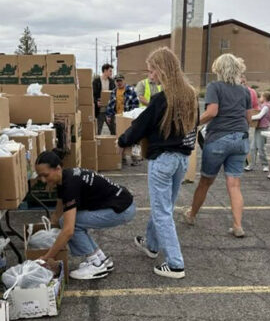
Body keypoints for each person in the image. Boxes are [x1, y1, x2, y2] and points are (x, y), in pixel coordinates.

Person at [117, 47, 197, 279]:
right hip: (182, 158)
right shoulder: (190, 95)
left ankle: (175, 264)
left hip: (162, 160)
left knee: (162, 211)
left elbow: (141, 125)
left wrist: (122, 141)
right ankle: (152, 244)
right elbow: (194, 125)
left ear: (162, 70)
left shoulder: (162, 98)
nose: (150, 75)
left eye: (152, 70)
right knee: (165, 207)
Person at [35, 150, 137, 280]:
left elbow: (68, 231)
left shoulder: (69, 186)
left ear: (58, 168)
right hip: (123, 203)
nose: (43, 180)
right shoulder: (66, 176)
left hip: (122, 210)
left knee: (71, 224)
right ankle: (101, 259)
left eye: (45, 175)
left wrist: (47, 257)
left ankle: (95, 263)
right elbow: (59, 209)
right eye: (39, 176)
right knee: (64, 221)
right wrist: (50, 228)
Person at [182, 53, 252, 238]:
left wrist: (193, 123)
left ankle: (191, 214)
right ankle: (237, 225)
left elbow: (212, 112)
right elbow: (249, 118)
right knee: (234, 184)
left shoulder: (215, 87)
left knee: (206, 181)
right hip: (241, 138)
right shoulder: (245, 90)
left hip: (219, 138)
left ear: (219, 69)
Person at [106, 74, 140, 165]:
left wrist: (133, 116)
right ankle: (122, 158)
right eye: (117, 81)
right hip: (118, 118)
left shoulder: (131, 90)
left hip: (128, 117)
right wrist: (109, 115)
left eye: (120, 80)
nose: (119, 83)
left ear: (124, 80)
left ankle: (135, 158)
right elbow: (110, 104)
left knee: (132, 137)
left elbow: (136, 104)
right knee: (119, 137)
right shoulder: (114, 91)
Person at [245, 91, 270, 172]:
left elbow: (259, 116)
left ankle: (265, 165)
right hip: (258, 128)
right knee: (252, 148)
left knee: (261, 148)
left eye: (260, 97)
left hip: (262, 129)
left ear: (264, 98)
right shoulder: (265, 105)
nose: (259, 98)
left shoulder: (266, 106)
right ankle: (251, 165)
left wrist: (249, 118)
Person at [92, 63, 114, 136]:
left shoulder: (111, 82)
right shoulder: (96, 81)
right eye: (110, 71)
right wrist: (96, 102)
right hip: (99, 110)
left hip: (109, 111)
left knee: (113, 130)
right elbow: (92, 95)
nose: (111, 73)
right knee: (98, 131)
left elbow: (113, 94)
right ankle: (97, 147)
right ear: (105, 70)